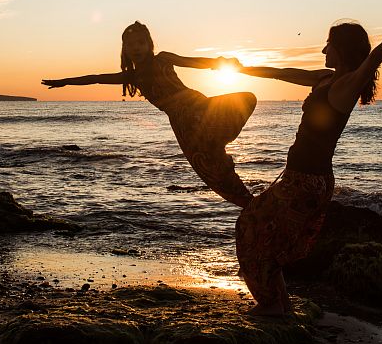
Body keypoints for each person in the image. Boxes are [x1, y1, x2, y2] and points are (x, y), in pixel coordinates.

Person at [234, 0, 382, 315]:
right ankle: (277, 304)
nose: (324, 47)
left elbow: (375, 58)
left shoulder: (346, 85)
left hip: (308, 183)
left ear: (340, 48)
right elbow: (282, 72)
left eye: (329, 42)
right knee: (260, 233)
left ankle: (274, 305)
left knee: (254, 228)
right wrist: (241, 68)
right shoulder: (324, 78)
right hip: (298, 178)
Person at [42, 21, 258, 208]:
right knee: (215, 173)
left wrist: (222, 61)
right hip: (183, 126)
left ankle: (219, 140)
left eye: (140, 43)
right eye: (130, 44)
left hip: (199, 107)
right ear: (124, 49)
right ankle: (252, 205)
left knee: (246, 98)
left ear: (149, 45)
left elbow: (194, 62)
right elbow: (96, 78)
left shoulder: (163, 59)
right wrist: (65, 82)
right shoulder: (133, 77)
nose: (136, 48)